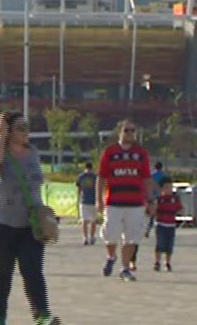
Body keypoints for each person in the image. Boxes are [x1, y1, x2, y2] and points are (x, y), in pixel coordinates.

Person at [0, 111, 61, 325]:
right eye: (21, 128)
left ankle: (42, 316)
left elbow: (36, 185)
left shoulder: (33, 153)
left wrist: (46, 214)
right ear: (8, 131)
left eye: (28, 127)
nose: (27, 132)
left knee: (33, 269)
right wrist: (0, 136)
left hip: (31, 223)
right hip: (1, 221)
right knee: (3, 270)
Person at [97, 119, 154, 282]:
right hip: (114, 201)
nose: (130, 134)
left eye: (133, 131)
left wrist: (150, 199)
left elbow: (146, 178)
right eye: (127, 130)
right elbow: (101, 177)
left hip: (135, 202)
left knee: (132, 237)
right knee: (110, 234)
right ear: (120, 132)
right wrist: (99, 200)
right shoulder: (110, 152)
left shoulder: (141, 154)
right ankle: (111, 256)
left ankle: (125, 267)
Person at [153, 178, 182, 272]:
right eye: (166, 188)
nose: (168, 190)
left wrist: (178, 211)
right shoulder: (159, 199)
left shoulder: (175, 199)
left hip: (171, 225)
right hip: (161, 224)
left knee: (169, 245)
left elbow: (180, 209)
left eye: (170, 187)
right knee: (160, 244)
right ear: (161, 189)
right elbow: (153, 211)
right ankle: (157, 262)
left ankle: (168, 262)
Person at [75, 162, 97, 245]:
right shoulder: (95, 176)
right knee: (93, 220)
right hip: (94, 201)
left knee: (84, 220)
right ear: (92, 167)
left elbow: (79, 188)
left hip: (84, 200)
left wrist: (78, 198)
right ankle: (92, 237)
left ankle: (85, 237)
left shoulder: (81, 176)